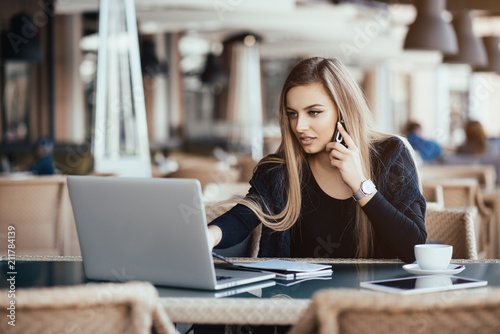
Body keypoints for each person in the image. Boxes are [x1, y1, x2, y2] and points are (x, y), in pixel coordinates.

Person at [207, 57, 426, 264]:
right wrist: (209, 235)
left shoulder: (390, 154)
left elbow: (413, 247)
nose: (299, 126)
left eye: (313, 112)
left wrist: (361, 186)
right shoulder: (278, 171)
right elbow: (245, 216)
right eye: (292, 114)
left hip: (371, 300)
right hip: (298, 301)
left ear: (343, 112)